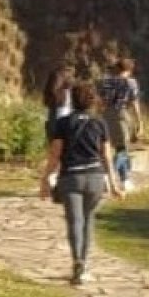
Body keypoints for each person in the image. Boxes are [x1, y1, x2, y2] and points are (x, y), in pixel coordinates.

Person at [40, 78, 123, 285]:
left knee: (74, 222)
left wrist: (44, 180)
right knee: (88, 221)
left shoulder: (63, 123)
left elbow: (55, 155)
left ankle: (77, 261)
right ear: (92, 101)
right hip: (95, 177)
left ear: (72, 100)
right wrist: (114, 184)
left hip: (71, 178)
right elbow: (107, 157)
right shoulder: (99, 123)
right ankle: (84, 264)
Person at [97, 54, 145, 191]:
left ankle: (125, 180)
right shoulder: (131, 83)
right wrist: (139, 122)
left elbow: (100, 101)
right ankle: (106, 174)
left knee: (114, 147)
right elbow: (135, 103)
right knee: (122, 149)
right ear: (129, 70)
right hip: (121, 114)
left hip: (106, 114)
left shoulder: (106, 81)